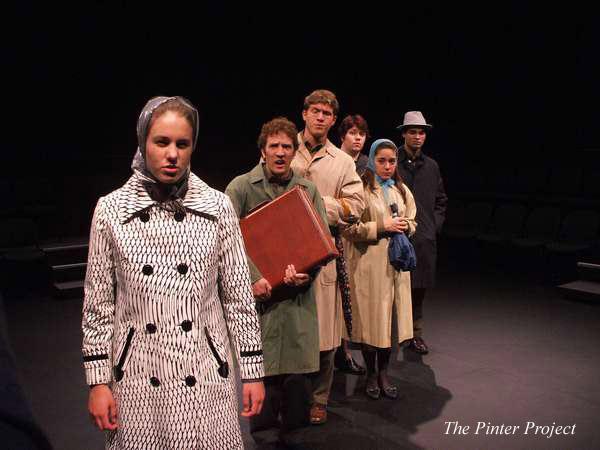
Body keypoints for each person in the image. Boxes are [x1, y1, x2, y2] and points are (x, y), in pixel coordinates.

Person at [82, 96, 265, 450]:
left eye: (182, 144)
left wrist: (253, 372)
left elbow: (239, 297)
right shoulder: (111, 211)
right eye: (162, 142)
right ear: (142, 142)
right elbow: (98, 306)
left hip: (206, 372)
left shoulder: (216, 206)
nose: (172, 154)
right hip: (138, 374)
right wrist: (97, 383)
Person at [225, 117, 327, 447]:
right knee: (263, 387)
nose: (280, 152)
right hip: (259, 305)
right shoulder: (240, 188)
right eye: (274, 146)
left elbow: (320, 242)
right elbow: (226, 242)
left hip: (298, 301)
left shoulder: (307, 189)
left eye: (287, 146)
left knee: (297, 388)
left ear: (294, 151)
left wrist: (305, 273)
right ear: (262, 150)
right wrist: (255, 278)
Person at [290, 89, 364, 424]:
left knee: (325, 335)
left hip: (323, 253)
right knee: (290, 330)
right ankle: (290, 398)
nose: (320, 117)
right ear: (304, 113)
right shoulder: (283, 149)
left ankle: (319, 399)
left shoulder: (343, 161)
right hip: (286, 251)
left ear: (333, 120)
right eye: (315, 111)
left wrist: (316, 204)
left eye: (327, 113)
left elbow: (356, 206)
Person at [343, 138, 417, 399]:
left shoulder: (401, 189)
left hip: (395, 266)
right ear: (372, 160)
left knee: (390, 323)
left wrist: (407, 226)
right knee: (371, 322)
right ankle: (370, 373)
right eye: (381, 160)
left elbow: (412, 219)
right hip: (369, 265)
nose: (387, 166)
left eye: (392, 161)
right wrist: (381, 226)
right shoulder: (361, 190)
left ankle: (384, 372)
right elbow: (349, 229)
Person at [395, 111, 447, 354]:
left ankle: (415, 334)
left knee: (419, 289)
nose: (418, 136)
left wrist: (432, 228)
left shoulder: (432, 166)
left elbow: (440, 200)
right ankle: (389, 335)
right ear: (404, 133)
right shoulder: (390, 160)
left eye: (422, 132)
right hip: (395, 235)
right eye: (413, 131)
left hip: (423, 238)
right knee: (390, 289)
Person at [333, 114, 372, 376]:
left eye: (361, 134)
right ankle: (340, 351)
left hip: (361, 235)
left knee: (356, 296)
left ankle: (349, 347)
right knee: (337, 295)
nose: (358, 138)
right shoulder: (334, 161)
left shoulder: (369, 164)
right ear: (343, 136)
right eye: (353, 133)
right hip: (338, 233)